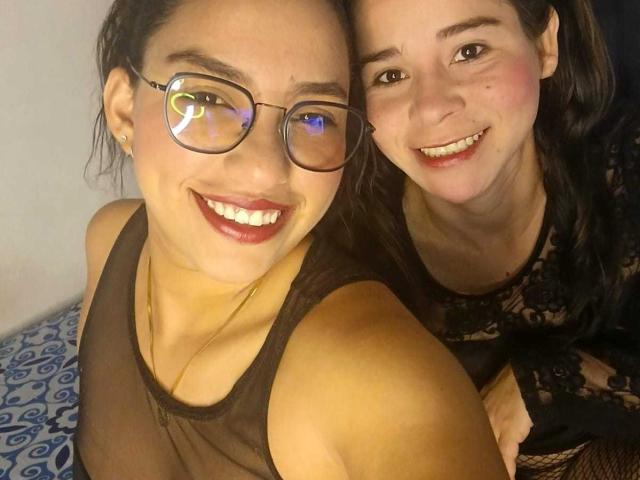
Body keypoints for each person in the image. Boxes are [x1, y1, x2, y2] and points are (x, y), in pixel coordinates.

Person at [73, 0, 509, 478]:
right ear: (124, 110)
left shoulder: (378, 376)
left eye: (314, 118)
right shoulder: (109, 238)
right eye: (209, 99)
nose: (265, 169)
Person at [337, 0, 640, 478]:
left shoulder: (628, 166)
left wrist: (549, 379)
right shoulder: (342, 255)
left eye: (470, 50)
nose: (433, 106)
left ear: (544, 45)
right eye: (390, 75)